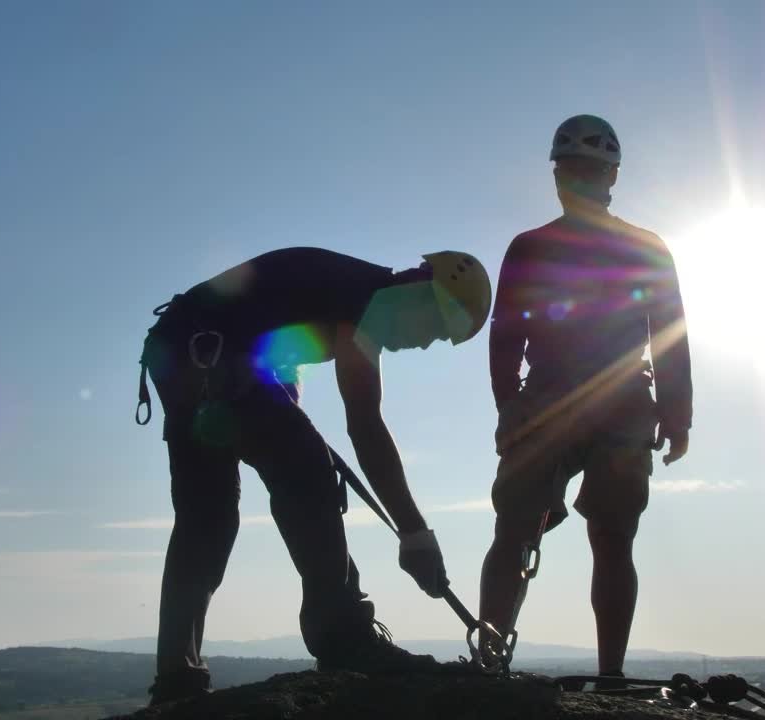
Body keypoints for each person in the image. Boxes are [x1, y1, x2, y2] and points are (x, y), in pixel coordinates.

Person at [134, 246, 492, 704]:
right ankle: (343, 636)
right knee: (307, 474)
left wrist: (287, 407)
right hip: (205, 351)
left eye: (444, 336)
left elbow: (276, 335)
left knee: (208, 516)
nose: (428, 341)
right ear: (419, 287)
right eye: (439, 324)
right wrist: (415, 533)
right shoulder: (365, 298)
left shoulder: (352, 292)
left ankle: (176, 677)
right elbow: (365, 426)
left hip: (181, 349)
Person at [477, 115, 693, 680]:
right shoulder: (632, 247)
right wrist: (676, 416)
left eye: (586, 170)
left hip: (573, 403)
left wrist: (678, 416)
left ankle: (592, 675)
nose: (575, 179)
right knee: (533, 532)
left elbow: (669, 335)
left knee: (576, 536)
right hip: (599, 404)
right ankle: (513, 666)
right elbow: (506, 335)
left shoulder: (538, 247)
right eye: (569, 169)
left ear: (610, 175)